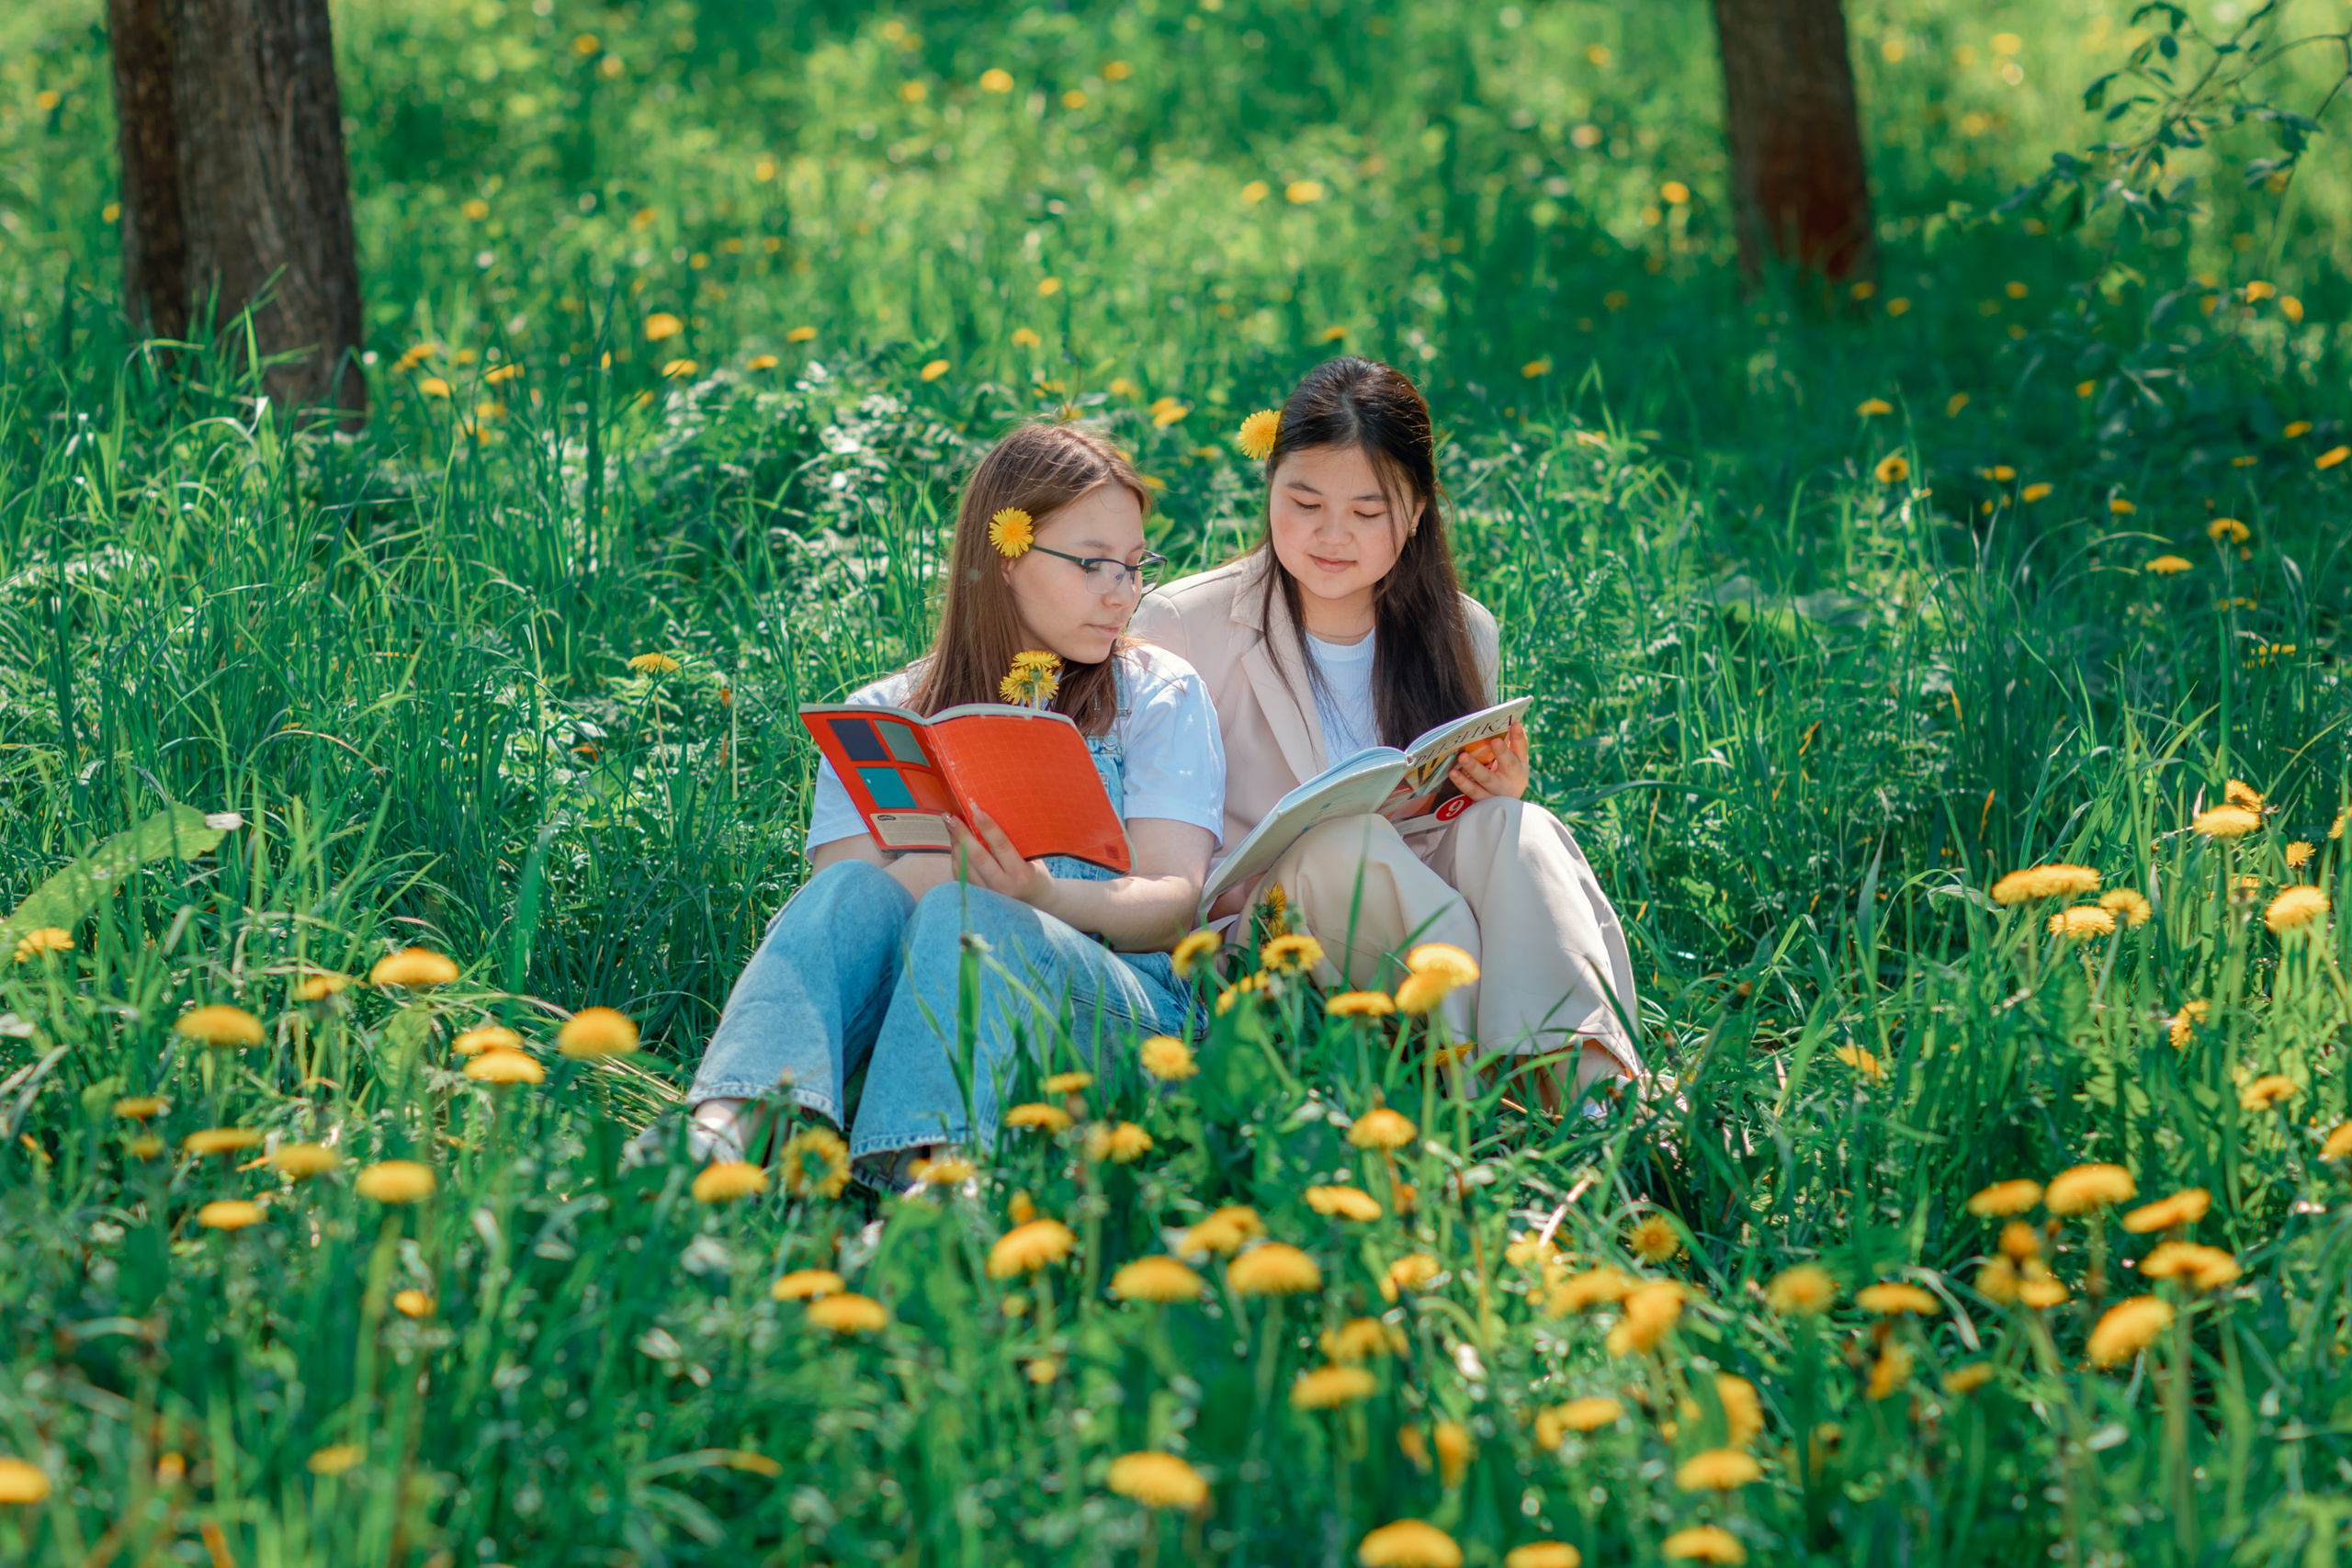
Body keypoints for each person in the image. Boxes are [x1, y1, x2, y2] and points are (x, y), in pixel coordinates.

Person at [681, 423, 1226, 1180]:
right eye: (1093, 563)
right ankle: (722, 1131)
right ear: (1005, 557)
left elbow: (1173, 904)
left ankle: (936, 1183)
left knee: (972, 917)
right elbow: (854, 920)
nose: (1122, 592)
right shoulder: (885, 711)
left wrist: (1039, 893)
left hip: (1120, 1011)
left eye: (1135, 566)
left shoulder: (1156, 694)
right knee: (856, 891)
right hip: (921, 1008)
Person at [1128, 357, 1641, 1106]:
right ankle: (1483, 1099)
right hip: (1260, 943)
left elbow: (1451, 832)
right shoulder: (1183, 624)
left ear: (1416, 512)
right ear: (1269, 484)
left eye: (1368, 514)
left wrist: (1487, 792)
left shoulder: (1464, 630)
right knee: (1346, 842)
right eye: (1303, 501)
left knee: (1518, 829)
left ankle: (1591, 1097)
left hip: (1416, 914)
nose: (1332, 535)